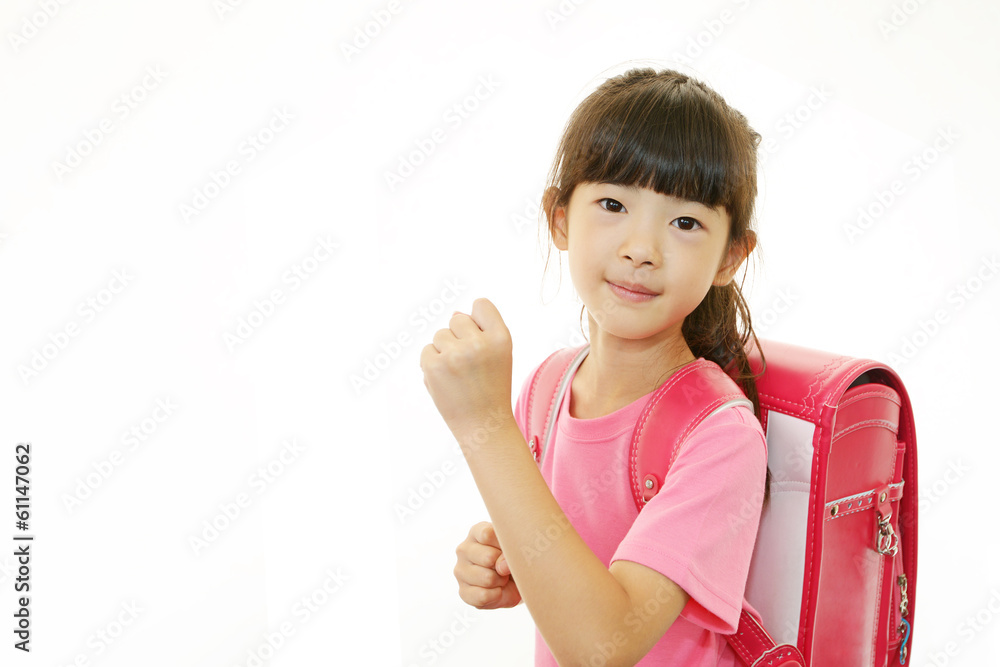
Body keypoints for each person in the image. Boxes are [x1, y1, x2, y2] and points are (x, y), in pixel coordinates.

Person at [420, 66, 770, 666]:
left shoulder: (721, 436)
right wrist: (507, 562)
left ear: (729, 257)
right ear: (559, 217)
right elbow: (558, 556)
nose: (641, 249)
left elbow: (601, 649)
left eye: (685, 223)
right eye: (613, 204)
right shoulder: (549, 387)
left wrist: (484, 425)